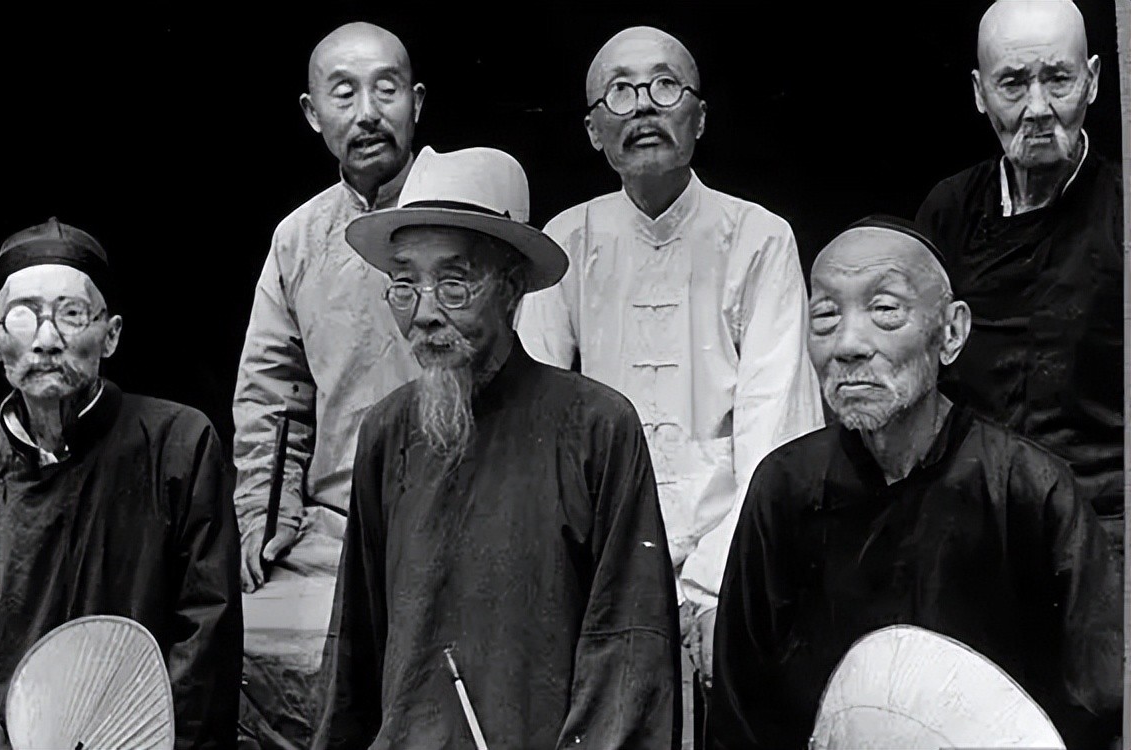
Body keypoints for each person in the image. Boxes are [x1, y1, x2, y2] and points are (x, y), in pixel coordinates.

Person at [313, 145, 681, 749]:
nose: (425, 313)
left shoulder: (596, 427)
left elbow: (628, 649)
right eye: (404, 285)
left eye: (453, 284)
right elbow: (355, 646)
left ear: (510, 290)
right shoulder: (387, 431)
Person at [706, 218, 1122, 750]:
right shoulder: (786, 488)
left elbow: (1101, 698)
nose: (848, 345)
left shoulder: (1027, 489)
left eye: (884, 311)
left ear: (951, 333)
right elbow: (741, 708)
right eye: (826, 315)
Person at [514, 26, 823, 696]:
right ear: (593, 131)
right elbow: (533, 430)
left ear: (699, 117)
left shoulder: (760, 238)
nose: (644, 107)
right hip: (597, 558)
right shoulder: (566, 241)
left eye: (664, 86)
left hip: (733, 555)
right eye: (620, 93)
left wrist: (711, 588)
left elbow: (778, 436)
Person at [0, 218, 242, 750]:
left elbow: (206, 637)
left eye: (72, 314)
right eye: (24, 316)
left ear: (111, 334)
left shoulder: (180, 445)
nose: (48, 340)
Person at [232, 22, 426, 745]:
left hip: (458, 521)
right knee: (235, 646)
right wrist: (265, 520)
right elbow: (272, 397)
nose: (368, 112)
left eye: (386, 89)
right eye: (344, 94)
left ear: (416, 102)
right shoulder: (299, 238)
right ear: (313, 114)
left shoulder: (467, 210)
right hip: (336, 531)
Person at [915, 0, 1123, 547]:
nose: (1037, 108)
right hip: (972, 513)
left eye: (1058, 80)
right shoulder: (950, 210)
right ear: (979, 93)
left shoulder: (1122, 210)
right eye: (1012, 84)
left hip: (1105, 519)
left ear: (1093, 81)